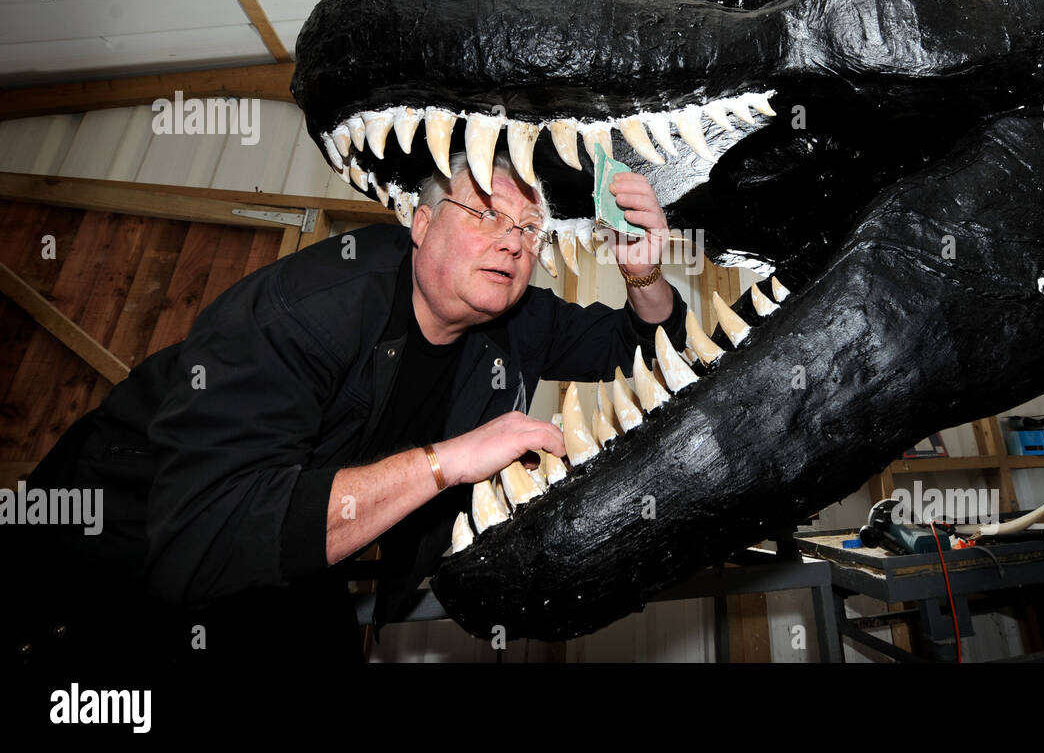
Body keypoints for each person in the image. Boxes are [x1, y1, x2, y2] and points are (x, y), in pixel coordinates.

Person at [7, 150, 689, 665]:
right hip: (123, 520)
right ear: (421, 224)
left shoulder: (521, 318)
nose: (513, 241)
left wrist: (644, 274)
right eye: (486, 214)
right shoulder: (314, 306)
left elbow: (649, 347)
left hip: (286, 551)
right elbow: (210, 534)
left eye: (529, 229)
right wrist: (446, 462)